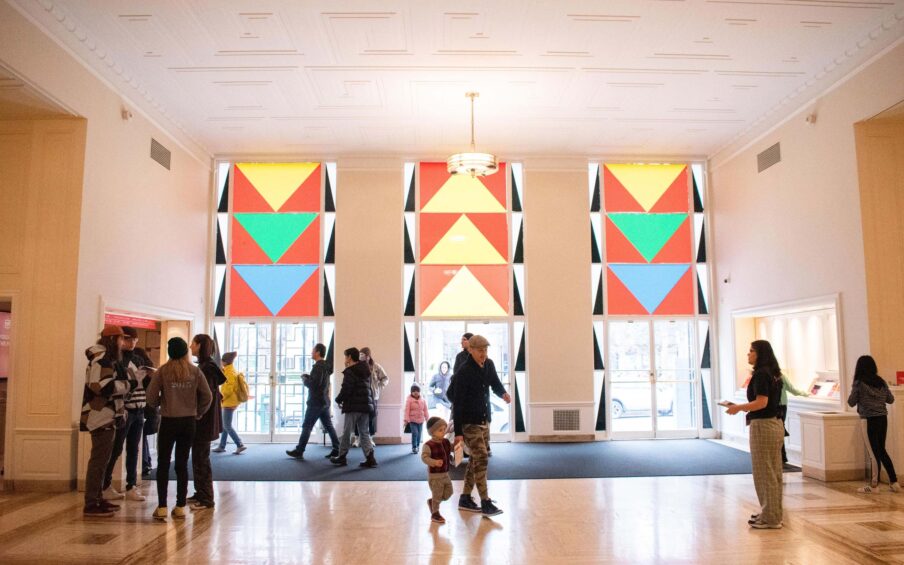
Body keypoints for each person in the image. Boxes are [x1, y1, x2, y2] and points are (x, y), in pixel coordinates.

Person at [146, 337, 212, 521]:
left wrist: (161, 403)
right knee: (182, 464)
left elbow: (150, 397)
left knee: (164, 464)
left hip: (168, 421)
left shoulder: (162, 372)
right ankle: (181, 505)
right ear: (185, 352)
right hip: (188, 422)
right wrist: (198, 412)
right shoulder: (194, 371)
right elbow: (207, 396)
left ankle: (161, 506)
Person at [725, 340, 785, 529]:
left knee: (764, 472)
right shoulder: (774, 373)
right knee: (773, 472)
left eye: (751, 351)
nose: (748, 354)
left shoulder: (761, 374)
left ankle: (771, 518)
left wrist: (737, 408)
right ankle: (771, 513)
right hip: (775, 424)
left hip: (764, 425)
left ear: (760, 354)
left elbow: (761, 403)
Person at [449, 334, 511, 517]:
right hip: (469, 422)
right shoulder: (464, 371)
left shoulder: (489, 365)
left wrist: (503, 394)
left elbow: (494, 383)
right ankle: (485, 501)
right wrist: (458, 432)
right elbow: (457, 402)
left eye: (485, 350)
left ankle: (465, 498)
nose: (483, 354)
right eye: (480, 350)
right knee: (482, 457)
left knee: (476, 459)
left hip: (484, 420)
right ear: (471, 350)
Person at [80, 325, 132, 518]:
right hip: (100, 415)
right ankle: (91, 502)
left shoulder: (105, 359)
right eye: (120, 339)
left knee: (102, 460)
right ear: (113, 340)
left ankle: (97, 498)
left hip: (107, 415)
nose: (122, 343)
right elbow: (101, 386)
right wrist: (130, 384)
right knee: (99, 461)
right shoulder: (101, 359)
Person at [101, 327, 149, 502]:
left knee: (133, 449)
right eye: (128, 339)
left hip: (139, 407)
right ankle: (105, 485)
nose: (132, 343)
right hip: (125, 409)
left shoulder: (138, 358)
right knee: (116, 448)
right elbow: (115, 385)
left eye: (135, 340)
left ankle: (131, 485)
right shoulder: (116, 361)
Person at [847, 355, 899, 494]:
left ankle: (874, 485)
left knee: (873, 452)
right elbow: (891, 399)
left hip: (868, 419)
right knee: (881, 450)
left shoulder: (859, 383)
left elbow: (851, 402)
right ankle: (894, 482)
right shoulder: (881, 382)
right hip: (883, 418)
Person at [188, 334, 225, 510]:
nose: (190, 346)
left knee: (201, 458)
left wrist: (198, 413)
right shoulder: (208, 366)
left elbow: (206, 396)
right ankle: (200, 493)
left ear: (200, 345)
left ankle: (206, 498)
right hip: (206, 420)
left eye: (193, 343)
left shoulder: (207, 368)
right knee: (199, 457)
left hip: (204, 421)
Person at [287, 343, 341, 460]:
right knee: (329, 426)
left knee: (307, 426)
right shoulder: (326, 366)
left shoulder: (318, 367)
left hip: (316, 402)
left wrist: (304, 379)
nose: (311, 352)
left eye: (313, 350)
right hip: (324, 401)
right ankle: (337, 449)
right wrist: (308, 377)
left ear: (317, 352)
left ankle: (299, 450)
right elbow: (320, 382)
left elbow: (314, 384)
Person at [331, 347, 377, 468]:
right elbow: (369, 389)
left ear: (350, 357)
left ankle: (342, 457)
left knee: (347, 432)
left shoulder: (350, 371)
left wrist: (338, 399)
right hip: (365, 406)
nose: (345, 358)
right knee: (364, 433)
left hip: (353, 406)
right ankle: (370, 458)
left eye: (345, 356)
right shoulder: (366, 370)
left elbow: (347, 388)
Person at [421, 416, 454, 524]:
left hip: (445, 474)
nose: (443, 432)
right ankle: (435, 514)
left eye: (444, 429)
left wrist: (458, 446)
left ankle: (433, 501)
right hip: (435, 476)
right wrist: (434, 462)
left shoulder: (445, 442)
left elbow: (451, 448)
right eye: (440, 430)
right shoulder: (428, 445)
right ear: (432, 432)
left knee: (449, 492)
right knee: (437, 494)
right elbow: (424, 457)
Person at [213, 351, 246, 454]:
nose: (221, 362)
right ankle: (222, 446)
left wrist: (221, 397)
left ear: (224, 362)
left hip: (229, 402)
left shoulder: (229, 373)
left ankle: (240, 444)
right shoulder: (229, 370)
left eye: (222, 360)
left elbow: (228, 389)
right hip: (230, 401)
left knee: (227, 425)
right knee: (225, 424)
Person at [778, 373, 809, 466]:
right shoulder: (780, 376)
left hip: (775, 406)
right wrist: (804, 393)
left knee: (779, 430)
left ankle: (782, 456)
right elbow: (792, 390)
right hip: (781, 406)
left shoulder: (765, 375)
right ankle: (782, 456)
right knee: (780, 430)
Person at [360, 346, 389, 437]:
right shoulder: (358, 366)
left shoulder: (376, 367)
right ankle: (357, 437)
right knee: (359, 416)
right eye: (360, 354)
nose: (360, 356)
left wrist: (378, 387)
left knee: (372, 416)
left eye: (362, 354)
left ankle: (371, 437)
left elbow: (385, 378)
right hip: (360, 395)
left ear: (368, 356)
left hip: (373, 396)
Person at [404, 384, 429, 454]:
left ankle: (417, 446)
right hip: (412, 420)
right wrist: (406, 420)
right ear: (411, 392)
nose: (415, 392)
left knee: (419, 434)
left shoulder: (423, 400)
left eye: (417, 391)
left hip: (421, 420)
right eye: (414, 391)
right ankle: (414, 447)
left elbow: (425, 410)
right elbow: (407, 410)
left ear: (419, 391)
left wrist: (428, 419)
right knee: (415, 433)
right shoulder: (409, 400)